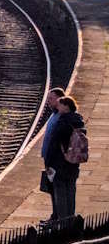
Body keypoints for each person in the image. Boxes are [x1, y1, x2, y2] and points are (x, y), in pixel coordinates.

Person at [44, 94, 87, 222]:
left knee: (60, 191)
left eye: (61, 104)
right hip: (74, 162)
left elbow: (54, 143)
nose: (58, 106)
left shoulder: (63, 122)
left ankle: (63, 222)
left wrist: (48, 161)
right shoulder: (78, 120)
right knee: (71, 189)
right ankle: (71, 218)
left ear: (67, 107)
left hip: (60, 162)